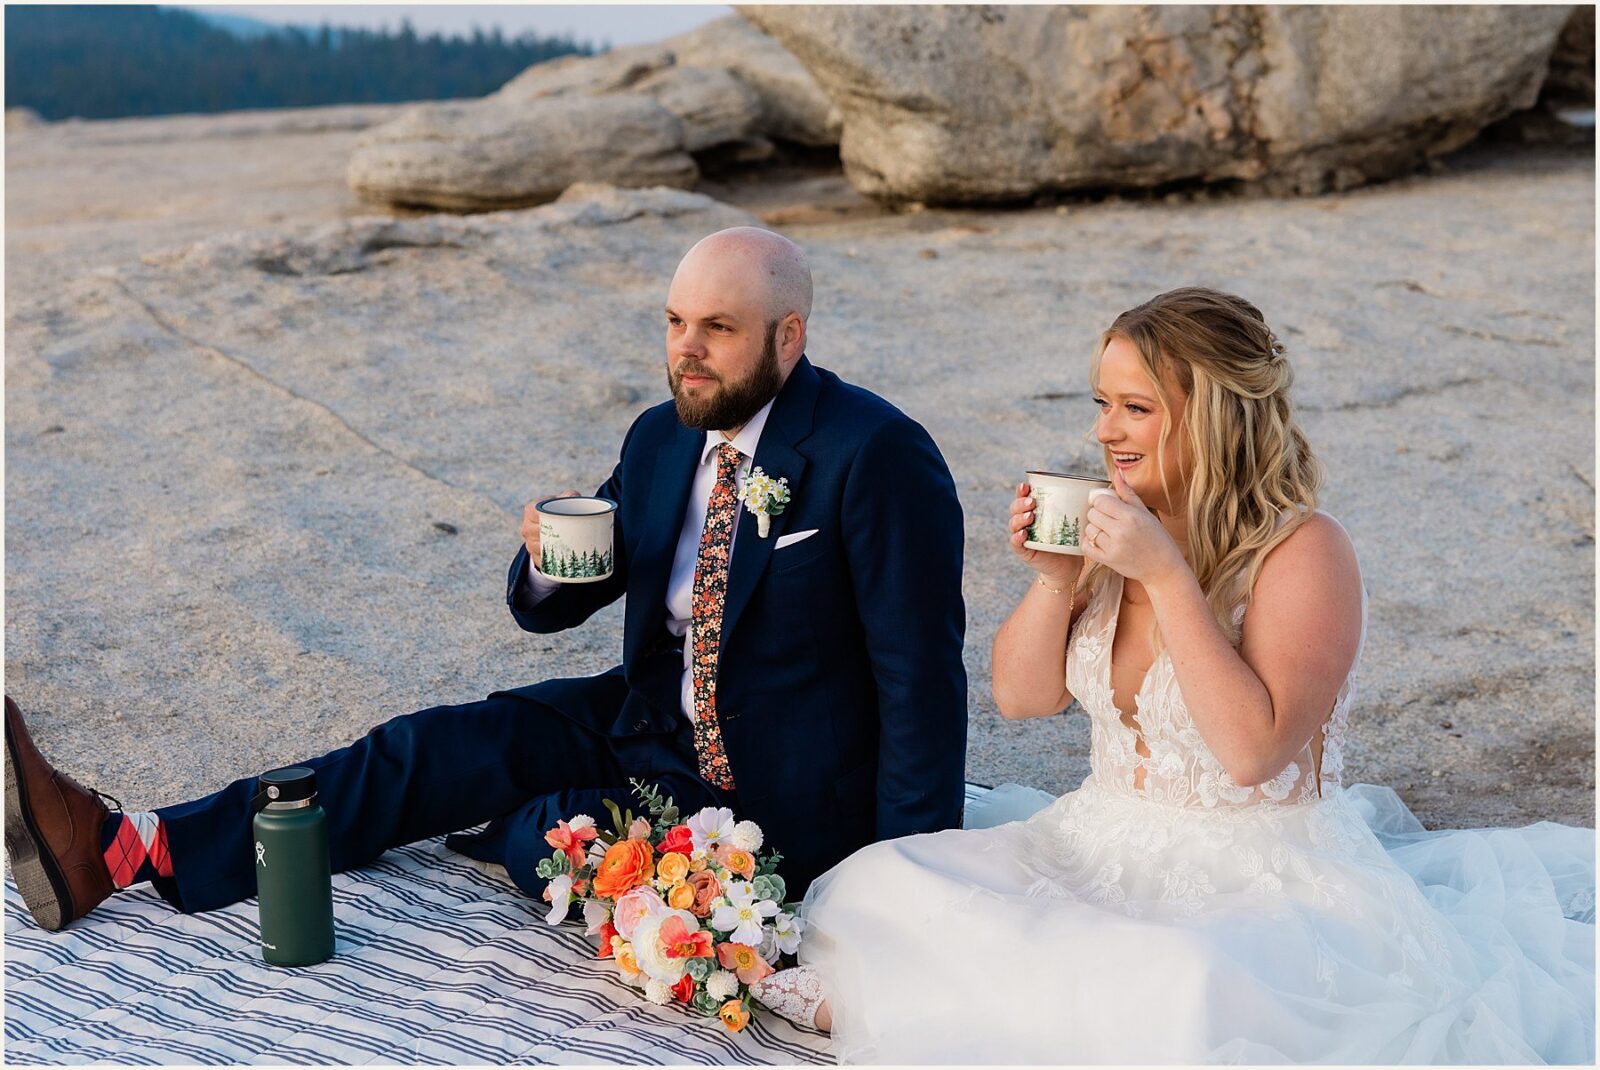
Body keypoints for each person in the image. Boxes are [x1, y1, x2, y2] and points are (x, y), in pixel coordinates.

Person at [3, 227, 969, 934]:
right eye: (675, 322)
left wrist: (901, 889)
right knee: (429, 745)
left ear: (788, 337)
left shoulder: (876, 456)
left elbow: (920, 682)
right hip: (646, 721)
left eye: (718, 327)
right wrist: (549, 563)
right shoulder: (662, 433)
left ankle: (507, 825)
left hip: (773, 791)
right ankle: (132, 849)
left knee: (554, 836)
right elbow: (548, 606)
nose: (686, 349)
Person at [749, 287, 1596, 1063]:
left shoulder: (1304, 553)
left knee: (1177, 977)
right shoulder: (1118, 524)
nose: (1105, 432)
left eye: (1136, 409)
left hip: (1262, 875)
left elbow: (1252, 752)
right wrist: (1052, 580)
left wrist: (1166, 578)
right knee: (888, 879)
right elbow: (1021, 697)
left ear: (1215, 419)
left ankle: (938, 1006)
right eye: (1103, 405)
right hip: (1098, 836)